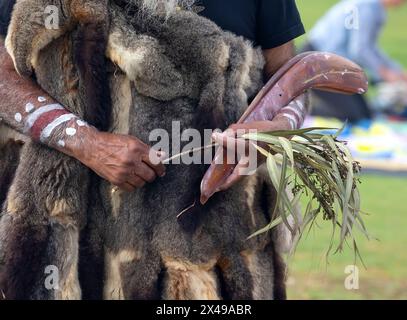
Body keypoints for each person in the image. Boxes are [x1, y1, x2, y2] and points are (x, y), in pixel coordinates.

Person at [0, 0, 308, 192]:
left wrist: (277, 129)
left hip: (219, 238)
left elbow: (291, 81)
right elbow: (4, 78)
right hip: (82, 234)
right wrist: (88, 144)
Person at [303, 0, 407, 122]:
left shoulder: (376, 8)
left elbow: (370, 48)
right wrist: (385, 73)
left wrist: (396, 71)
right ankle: (303, 109)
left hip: (336, 65)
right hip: (319, 62)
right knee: (353, 116)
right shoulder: (368, 7)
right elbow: (360, 50)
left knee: (366, 114)